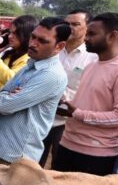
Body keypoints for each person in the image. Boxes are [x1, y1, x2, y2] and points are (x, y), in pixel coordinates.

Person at [0, 17, 70, 164]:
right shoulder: (31, 64)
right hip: (0, 146)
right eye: (33, 37)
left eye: (42, 41)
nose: (33, 44)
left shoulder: (51, 75)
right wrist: (5, 96)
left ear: (59, 46)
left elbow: (4, 106)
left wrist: (4, 97)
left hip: (15, 154)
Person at [52, 13, 118, 175]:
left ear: (113, 36)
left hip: (96, 153)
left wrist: (77, 113)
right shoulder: (92, 65)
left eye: (92, 34)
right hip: (68, 143)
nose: (86, 38)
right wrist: (68, 106)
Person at [40, 10, 98, 166]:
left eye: (76, 24)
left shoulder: (94, 56)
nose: (70, 28)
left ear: (88, 27)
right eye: (67, 24)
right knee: (34, 165)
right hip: (43, 115)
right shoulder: (53, 49)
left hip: (69, 121)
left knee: (60, 167)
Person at [0, 15, 38, 147]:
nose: (11, 36)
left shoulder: (28, 59)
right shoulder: (9, 54)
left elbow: (12, 79)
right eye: (10, 32)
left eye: (16, 33)